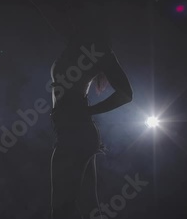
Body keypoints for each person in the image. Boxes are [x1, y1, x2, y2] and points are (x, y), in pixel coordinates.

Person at [50, 23, 133, 219]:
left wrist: (88, 111)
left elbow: (126, 94)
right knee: (89, 208)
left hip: (75, 133)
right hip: (73, 132)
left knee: (62, 207)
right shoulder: (74, 43)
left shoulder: (99, 49)